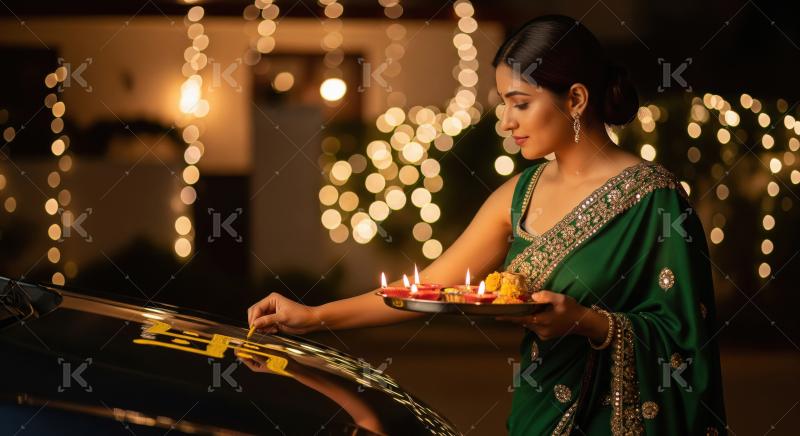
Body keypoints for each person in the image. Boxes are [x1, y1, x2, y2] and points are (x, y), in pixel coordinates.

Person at [248, 15, 727, 435]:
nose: (505, 122)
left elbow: (685, 344)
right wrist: (313, 317)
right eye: (504, 104)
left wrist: (585, 322)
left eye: (520, 103)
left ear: (576, 98)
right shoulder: (518, 193)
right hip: (537, 413)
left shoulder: (656, 201)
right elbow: (430, 287)